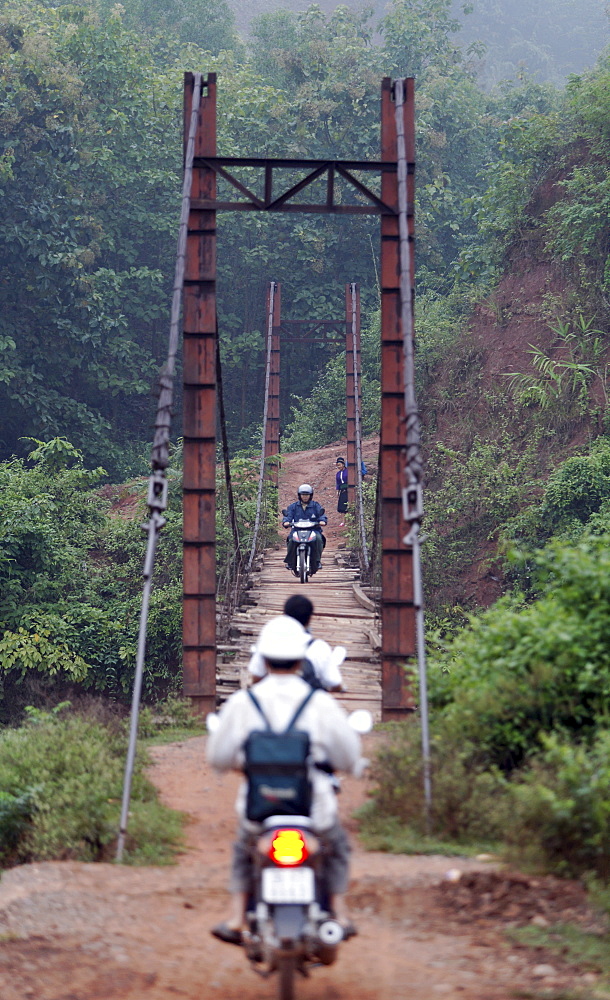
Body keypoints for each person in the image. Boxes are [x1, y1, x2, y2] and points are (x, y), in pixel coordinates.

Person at [207, 615, 362, 945]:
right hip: (313, 810)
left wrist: (242, 764)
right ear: (301, 659)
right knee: (336, 846)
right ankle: (339, 913)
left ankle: (236, 918)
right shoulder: (320, 703)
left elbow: (218, 758)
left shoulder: (242, 703)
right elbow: (348, 757)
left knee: (243, 850)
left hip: (259, 811)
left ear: (261, 659)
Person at [248, 594, 344, 692]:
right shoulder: (318, 648)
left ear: (285, 615)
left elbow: (256, 678)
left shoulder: (269, 641)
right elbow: (334, 682)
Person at [282, 483, 326, 573]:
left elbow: (322, 515)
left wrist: (322, 521)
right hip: (297, 530)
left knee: (318, 539)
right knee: (291, 540)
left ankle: (317, 561)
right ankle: (290, 561)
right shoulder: (293, 506)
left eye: (307, 495)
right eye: (303, 495)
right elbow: (288, 516)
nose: (305, 497)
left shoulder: (315, 505)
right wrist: (286, 521)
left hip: (313, 530)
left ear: (310, 495)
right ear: (299, 495)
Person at [335, 457, 348, 525]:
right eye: (337, 465)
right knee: (342, 506)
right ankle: (343, 521)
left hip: (349, 489)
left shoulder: (348, 471)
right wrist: (337, 491)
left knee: (349, 504)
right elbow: (338, 483)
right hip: (342, 490)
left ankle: (350, 520)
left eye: (339, 465)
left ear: (343, 464)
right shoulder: (338, 474)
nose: (338, 467)